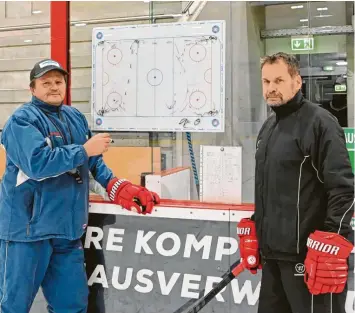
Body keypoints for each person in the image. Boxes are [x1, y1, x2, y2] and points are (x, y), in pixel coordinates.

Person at [0, 58, 160, 313]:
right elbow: (37, 165)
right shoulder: (22, 121)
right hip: (27, 234)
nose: (54, 87)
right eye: (46, 82)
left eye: (58, 81)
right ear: (32, 88)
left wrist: (119, 188)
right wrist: (84, 150)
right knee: (13, 307)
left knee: (72, 306)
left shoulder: (74, 117)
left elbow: (93, 164)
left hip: (67, 231)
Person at [237, 52, 354, 313]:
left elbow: (344, 189)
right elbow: (270, 190)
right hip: (274, 260)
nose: (271, 89)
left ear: (297, 81)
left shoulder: (320, 123)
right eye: (266, 82)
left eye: (279, 80)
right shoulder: (268, 129)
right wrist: (258, 226)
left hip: (310, 261)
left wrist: (332, 239)